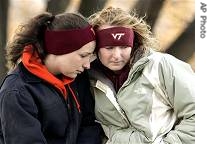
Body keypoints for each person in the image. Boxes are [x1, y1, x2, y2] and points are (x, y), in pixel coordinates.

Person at [88, 7, 195, 144]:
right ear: (96, 47)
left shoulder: (161, 66)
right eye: (109, 48)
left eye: (124, 47)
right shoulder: (87, 77)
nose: (117, 55)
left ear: (133, 44)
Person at [0, 12, 102, 144]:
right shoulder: (17, 92)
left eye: (90, 56)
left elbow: (89, 125)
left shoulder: (76, 77)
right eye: (83, 55)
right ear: (60, 49)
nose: (87, 65)